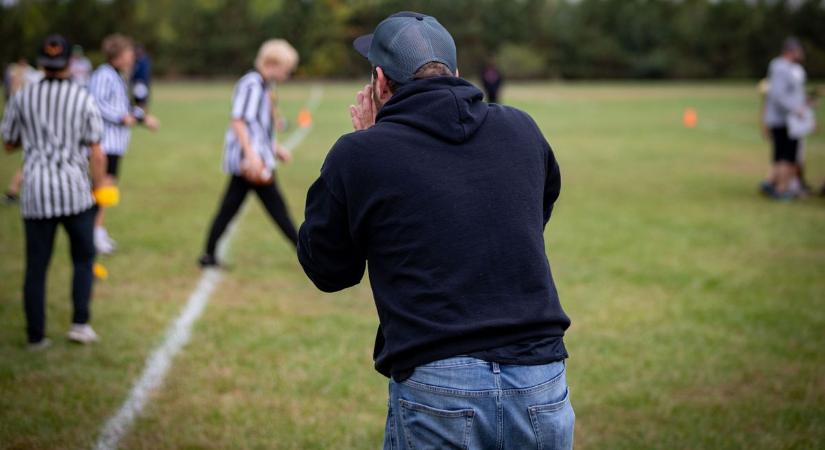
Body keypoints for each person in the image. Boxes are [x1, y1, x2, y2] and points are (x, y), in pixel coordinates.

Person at [298, 12, 574, 449]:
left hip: (439, 385)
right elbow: (531, 217)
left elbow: (329, 270)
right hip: (540, 383)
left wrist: (370, 147)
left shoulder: (359, 154)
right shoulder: (522, 128)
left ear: (380, 81)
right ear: (457, 74)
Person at [1, 34, 111, 348]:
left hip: (35, 190)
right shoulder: (82, 97)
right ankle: (80, 323)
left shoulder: (23, 97)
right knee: (83, 258)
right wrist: (98, 186)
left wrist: (37, 139)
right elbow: (97, 151)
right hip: (75, 191)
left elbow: (9, 143)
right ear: (69, 64)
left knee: (36, 266)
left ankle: (35, 335)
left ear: (41, 62)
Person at [197, 39, 299, 268]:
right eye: (286, 68)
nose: (288, 73)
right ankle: (306, 252)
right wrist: (252, 156)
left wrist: (275, 148)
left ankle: (208, 254)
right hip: (251, 161)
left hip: (256, 156)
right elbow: (239, 122)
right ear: (273, 63)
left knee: (231, 208)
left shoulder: (264, 86)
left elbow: (258, 127)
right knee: (277, 209)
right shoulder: (252, 84)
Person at [88, 34, 159, 253]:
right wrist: (121, 118)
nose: (132, 56)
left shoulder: (118, 76)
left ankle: (98, 231)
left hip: (116, 144)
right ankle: (93, 234)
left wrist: (142, 117)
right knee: (101, 188)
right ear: (117, 55)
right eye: (128, 52)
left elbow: (124, 106)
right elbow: (96, 104)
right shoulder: (104, 75)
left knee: (107, 188)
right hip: (105, 143)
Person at [761, 37, 807, 200]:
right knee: (787, 156)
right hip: (786, 120)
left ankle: (772, 183)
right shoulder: (782, 68)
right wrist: (796, 109)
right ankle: (781, 190)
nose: (801, 54)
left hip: (782, 120)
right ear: (791, 51)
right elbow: (778, 95)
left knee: (782, 155)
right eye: (799, 50)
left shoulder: (783, 67)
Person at [131, 44, 152, 109]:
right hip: (137, 84)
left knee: (142, 101)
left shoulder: (143, 60)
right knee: (138, 101)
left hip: (142, 84)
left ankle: (142, 114)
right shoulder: (137, 60)